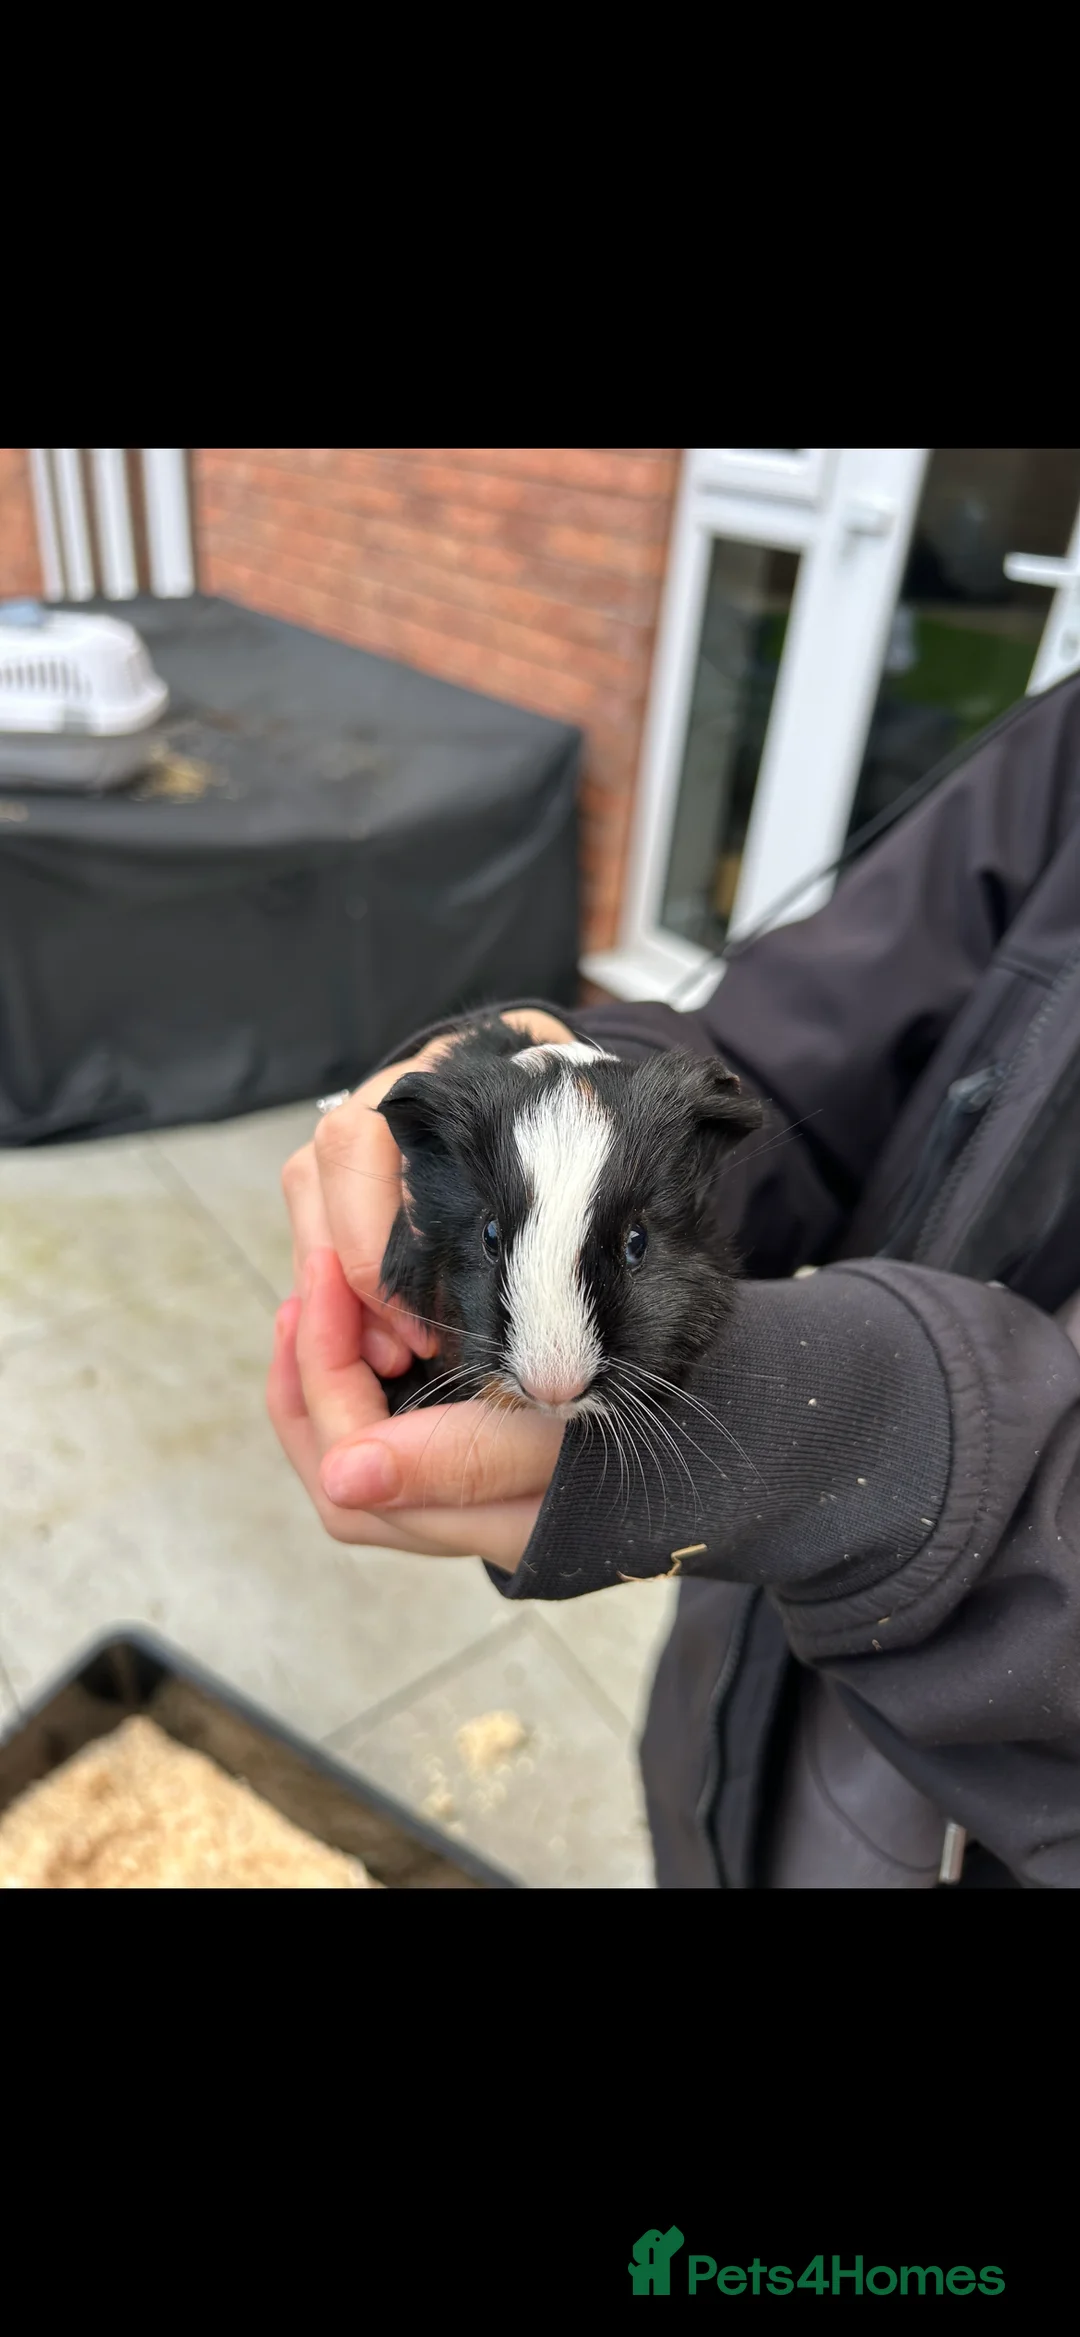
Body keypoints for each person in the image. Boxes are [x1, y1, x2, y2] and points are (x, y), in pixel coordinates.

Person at [268, 669, 1080, 1888]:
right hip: (745, 1744)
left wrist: (902, 1453)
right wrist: (566, 1072)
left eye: (633, 1248)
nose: (551, 1375)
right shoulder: (1066, 743)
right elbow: (778, 1059)